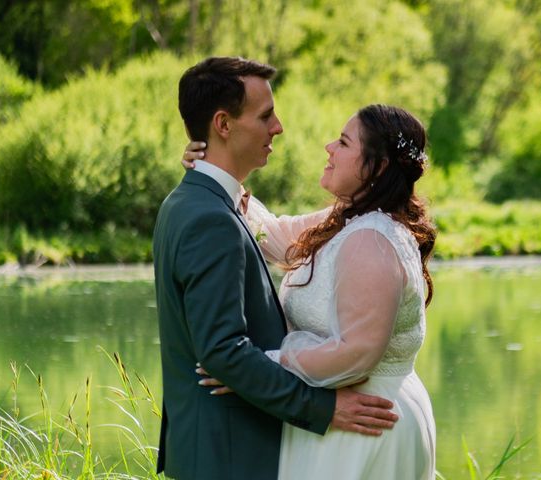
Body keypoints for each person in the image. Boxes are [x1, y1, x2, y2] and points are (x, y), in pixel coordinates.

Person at [153, 57, 398, 480]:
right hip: (227, 455)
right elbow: (223, 351)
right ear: (223, 125)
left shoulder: (190, 201)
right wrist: (325, 408)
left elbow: (274, 235)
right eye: (265, 116)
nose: (279, 127)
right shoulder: (210, 218)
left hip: (222, 449)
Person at [184, 103, 437, 479]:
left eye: (344, 142)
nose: (329, 147)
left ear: (378, 166)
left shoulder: (371, 240)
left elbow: (357, 353)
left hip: (364, 422)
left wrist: (257, 367)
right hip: (348, 415)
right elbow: (274, 234)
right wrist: (217, 173)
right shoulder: (353, 220)